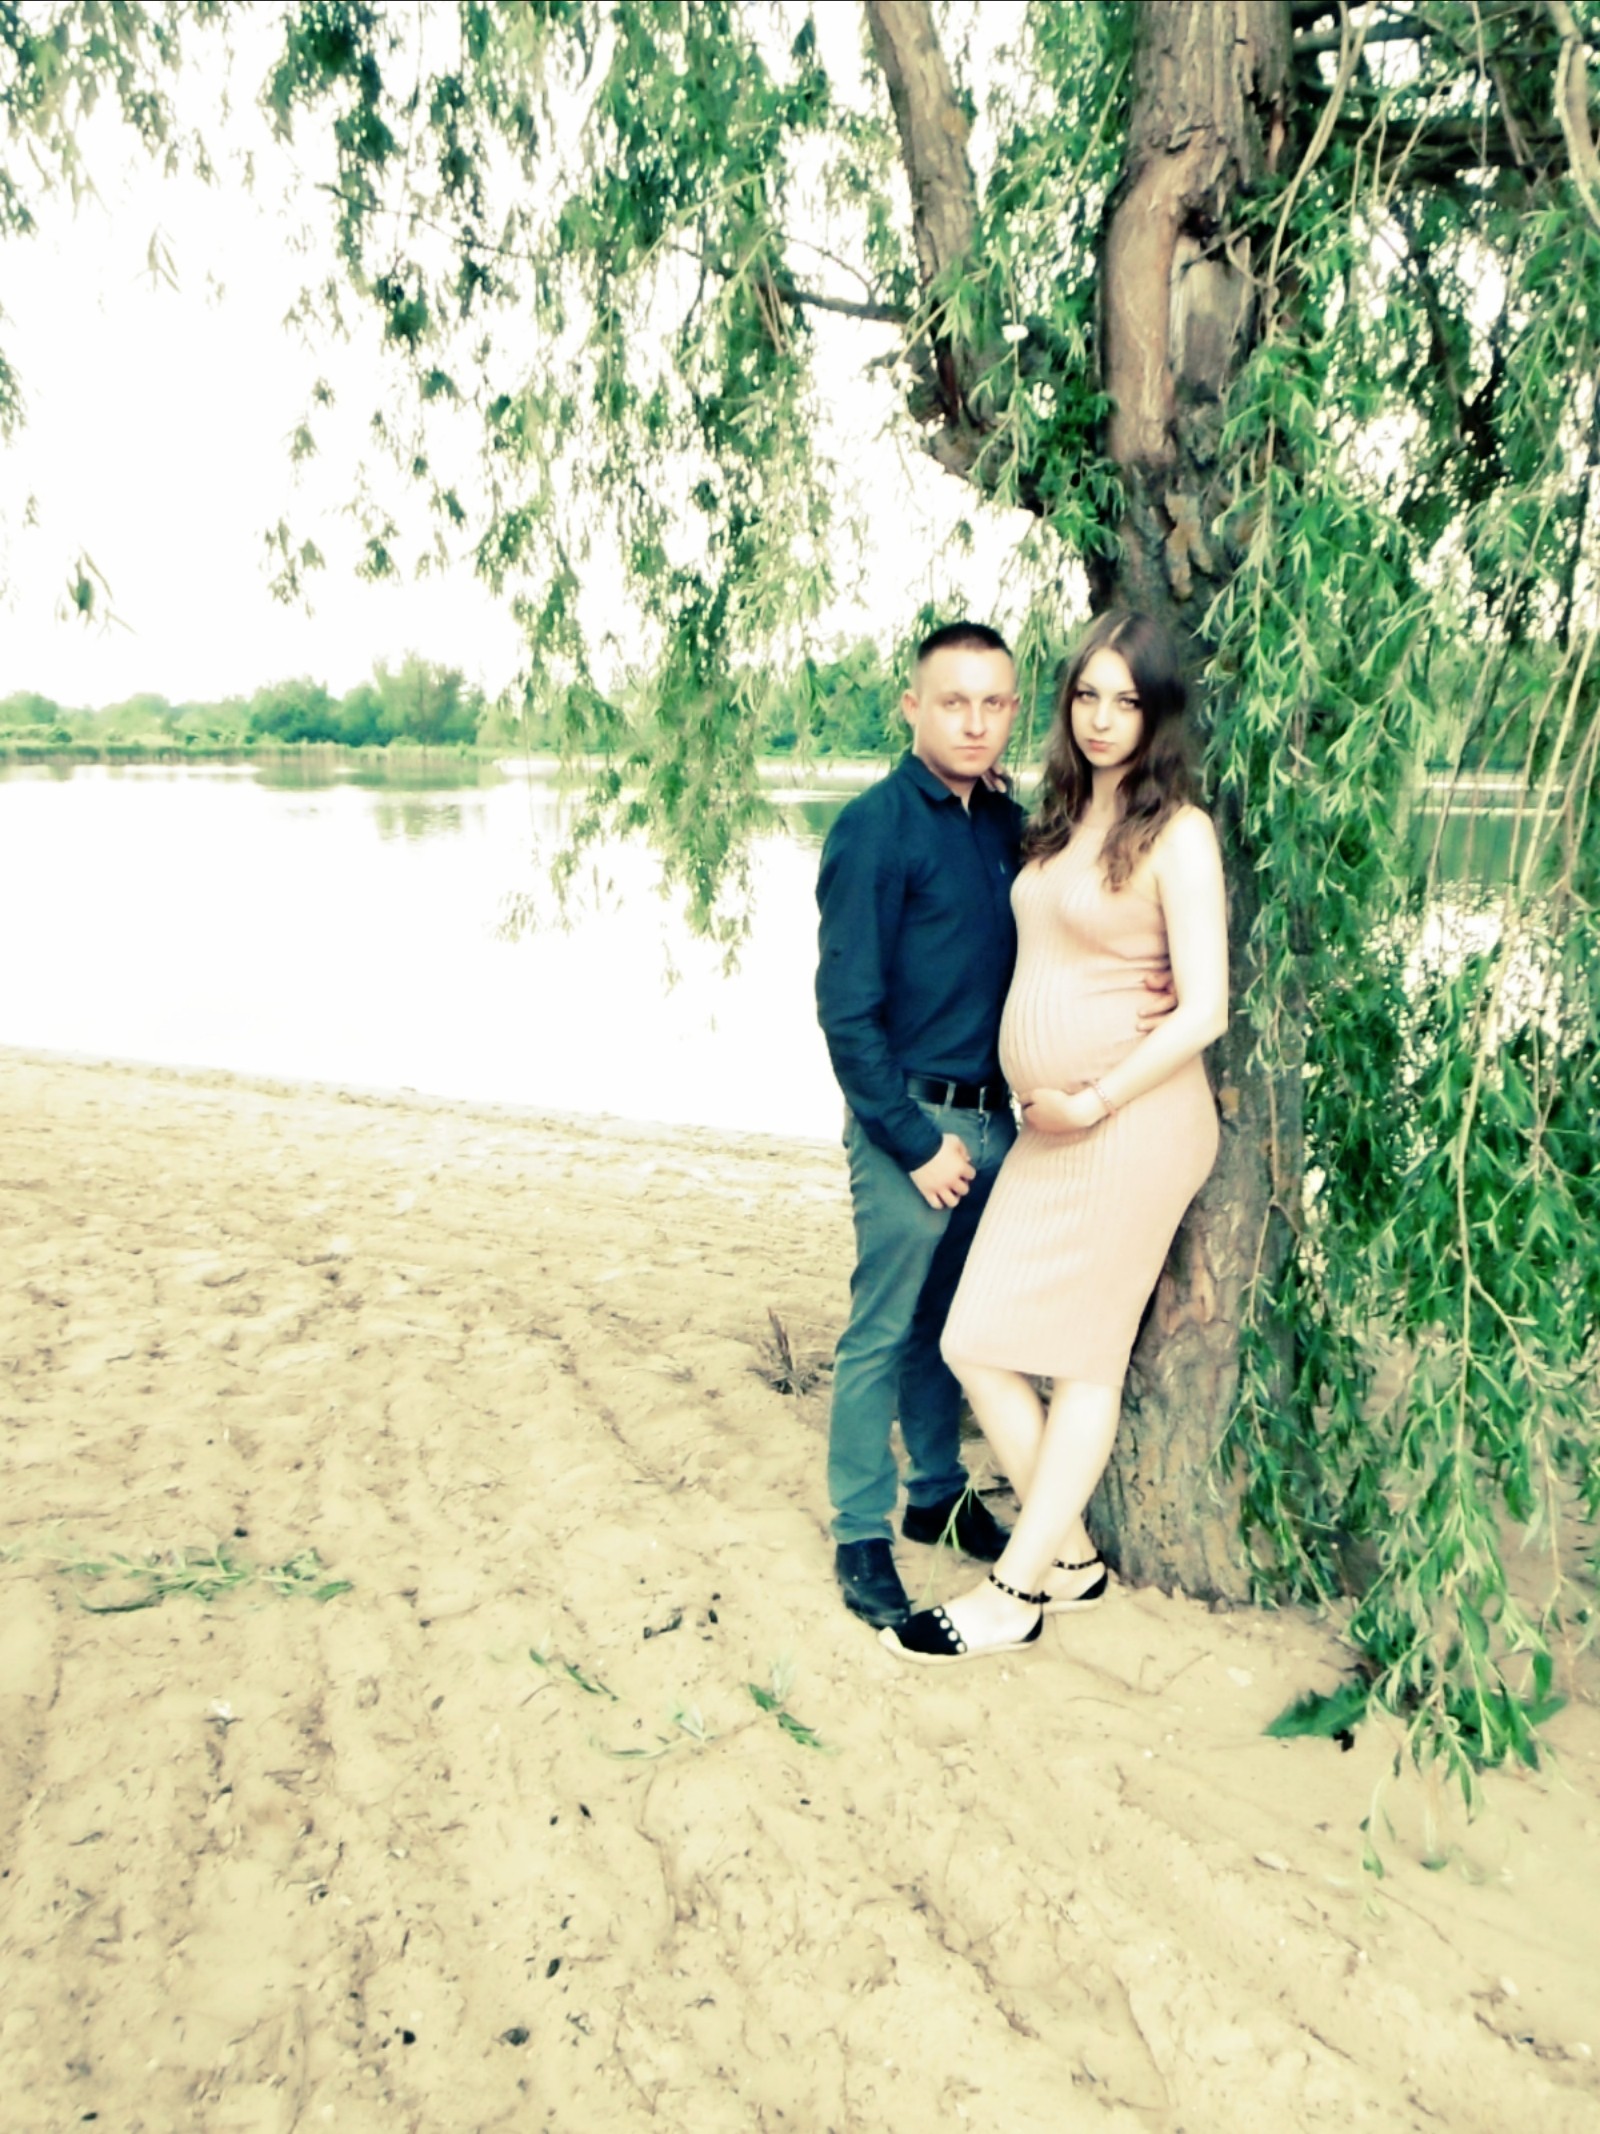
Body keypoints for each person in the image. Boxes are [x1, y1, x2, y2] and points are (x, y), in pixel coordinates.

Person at [880, 609, 1228, 1664]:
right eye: (1086, 695)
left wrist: (1097, 1098)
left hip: (1134, 1123)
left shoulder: (1178, 834)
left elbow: (1205, 1009)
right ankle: (1068, 1556)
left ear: (1157, 713)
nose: (1102, 717)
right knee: (972, 1341)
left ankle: (1016, 1591)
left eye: (1126, 700)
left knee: (1083, 1360)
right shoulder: (1059, 820)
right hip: (1053, 1129)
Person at [814, 620, 1175, 1630]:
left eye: (992, 703)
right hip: (913, 1122)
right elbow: (845, 1014)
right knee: (884, 1328)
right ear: (913, 707)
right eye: (952, 702)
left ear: (1015, 710)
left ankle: (935, 1494)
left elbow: (1065, 939)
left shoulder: (1013, 829)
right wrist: (912, 1142)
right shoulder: (875, 829)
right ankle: (859, 1529)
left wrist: (1148, 985)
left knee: (953, 1322)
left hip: (1005, 1128)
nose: (973, 723)